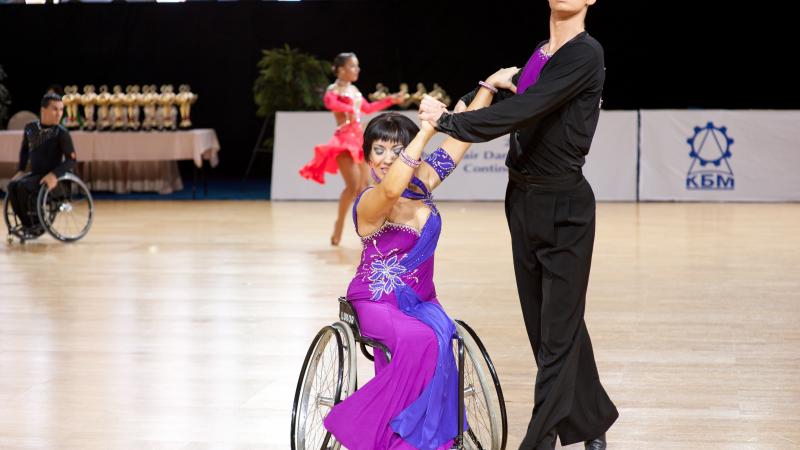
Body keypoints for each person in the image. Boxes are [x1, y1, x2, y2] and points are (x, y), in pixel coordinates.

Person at [418, 1, 617, 448]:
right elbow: (532, 104)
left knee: (558, 333)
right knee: (548, 326)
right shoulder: (540, 53)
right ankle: (593, 419)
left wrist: (452, 120)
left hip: (564, 206)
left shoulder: (587, 53)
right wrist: (499, 84)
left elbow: (527, 110)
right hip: (522, 200)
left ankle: (539, 439)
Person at [323, 66, 511, 449]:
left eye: (397, 149)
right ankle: (391, 437)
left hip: (423, 300)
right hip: (377, 301)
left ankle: (427, 438)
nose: (388, 158)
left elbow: (461, 139)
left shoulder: (423, 183)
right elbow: (391, 190)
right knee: (420, 340)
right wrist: (425, 130)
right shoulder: (371, 201)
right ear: (368, 157)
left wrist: (488, 86)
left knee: (443, 336)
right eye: (379, 150)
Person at [299, 52, 402, 246]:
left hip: (359, 141)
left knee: (365, 188)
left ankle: (367, 230)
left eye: (357, 66)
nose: (357, 69)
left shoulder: (354, 90)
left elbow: (368, 108)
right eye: (353, 66)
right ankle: (339, 224)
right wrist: (349, 105)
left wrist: (391, 100)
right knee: (353, 187)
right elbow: (330, 102)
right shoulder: (333, 90)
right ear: (340, 69)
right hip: (343, 141)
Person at [7, 92, 76, 237]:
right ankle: (27, 223)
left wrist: (54, 175)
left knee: (23, 187)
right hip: (37, 175)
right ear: (43, 110)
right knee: (12, 185)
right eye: (55, 109)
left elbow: (71, 160)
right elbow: (25, 150)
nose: (59, 114)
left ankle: (36, 225)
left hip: (54, 179)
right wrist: (20, 170)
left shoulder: (61, 133)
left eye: (61, 109)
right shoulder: (30, 128)